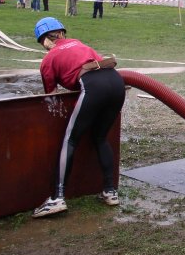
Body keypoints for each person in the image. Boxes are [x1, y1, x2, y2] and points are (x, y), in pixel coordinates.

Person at [32, 17, 125, 217]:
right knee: (100, 137)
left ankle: (57, 198)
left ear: (44, 40)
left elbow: (51, 96)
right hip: (116, 82)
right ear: (62, 33)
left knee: (70, 139)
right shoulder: (80, 44)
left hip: (93, 86)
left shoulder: (48, 59)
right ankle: (110, 191)